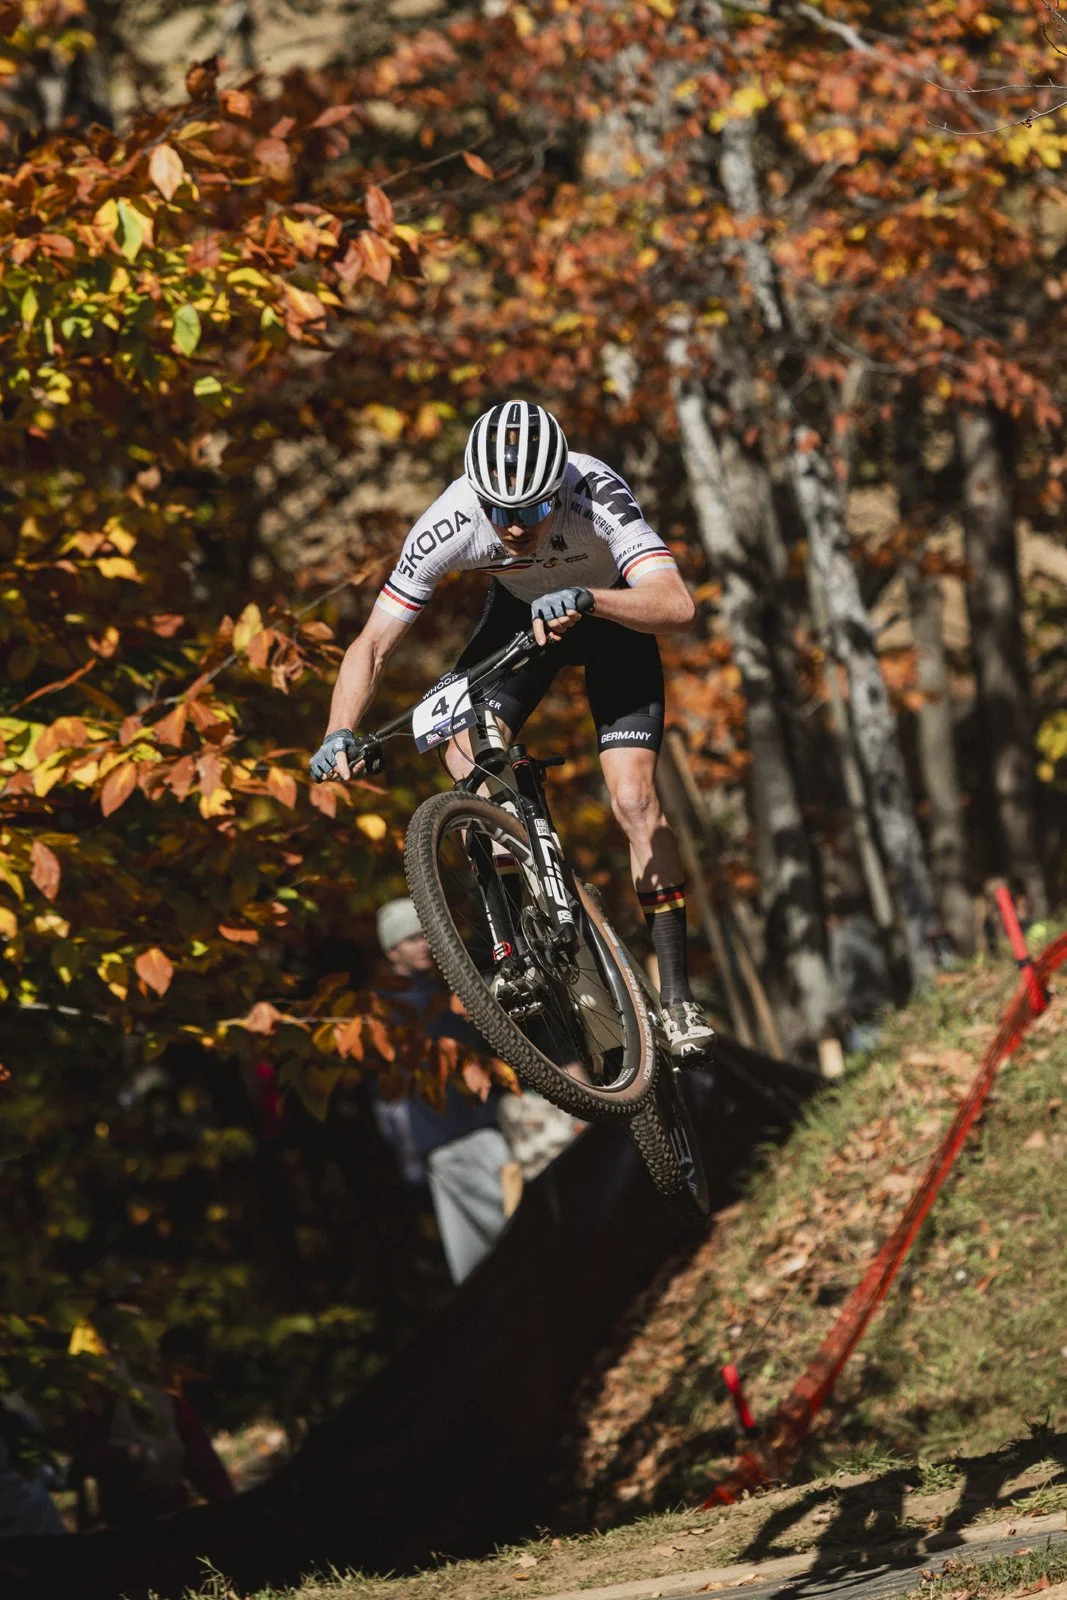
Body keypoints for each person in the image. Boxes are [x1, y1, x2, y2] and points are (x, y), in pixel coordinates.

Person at [311, 400, 715, 1063]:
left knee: (634, 802)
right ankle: (521, 892)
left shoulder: (594, 489)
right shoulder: (450, 519)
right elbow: (374, 643)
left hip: (612, 619)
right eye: (498, 512)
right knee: (463, 746)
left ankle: (676, 995)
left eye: (529, 511)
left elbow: (676, 606)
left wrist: (591, 599)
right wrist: (337, 730)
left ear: (556, 488)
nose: (513, 528)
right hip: (521, 622)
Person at [372, 897, 516, 1285]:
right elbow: (388, 1094)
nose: (423, 944)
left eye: (426, 936)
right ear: (392, 950)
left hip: (470, 1133)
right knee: (508, 1238)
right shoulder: (393, 1009)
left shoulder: (442, 988)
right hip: (453, 1140)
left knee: (481, 1255)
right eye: (412, 938)